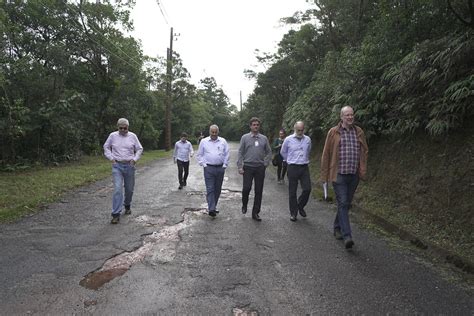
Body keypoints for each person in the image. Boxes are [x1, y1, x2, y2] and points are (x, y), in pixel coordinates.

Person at [321, 106, 368, 249]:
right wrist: (324, 176)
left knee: (345, 203)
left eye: (351, 115)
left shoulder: (359, 131)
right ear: (341, 117)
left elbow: (364, 151)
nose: (350, 117)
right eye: (347, 115)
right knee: (342, 203)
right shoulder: (333, 132)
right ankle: (347, 235)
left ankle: (336, 227)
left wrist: (362, 169)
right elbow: (326, 154)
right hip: (339, 174)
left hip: (353, 175)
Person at [103, 118, 143, 224]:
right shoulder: (112, 136)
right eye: (120, 128)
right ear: (117, 127)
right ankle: (115, 214)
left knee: (129, 189)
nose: (123, 130)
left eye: (125, 128)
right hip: (117, 166)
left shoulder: (133, 136)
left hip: (129, 165)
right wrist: (111, 158)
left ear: (128, 127)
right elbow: (106, 147)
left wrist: (135, 160)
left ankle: (127, 205)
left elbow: (139, 148)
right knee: (117, 189)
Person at [237, 117, 272, 221]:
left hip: (259, 168)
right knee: (246, 188)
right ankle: (244, 204)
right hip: (248, 167)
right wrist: (240, 166)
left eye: (257, 125)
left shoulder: (264, 138)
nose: (256, 126)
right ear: (250, 126)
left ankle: (255, 212)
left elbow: (269, 152)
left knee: (259, 190)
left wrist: (265, 163)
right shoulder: (245, 138)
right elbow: (240, 152)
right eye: (254, 125)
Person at [280, 121, 312, 222]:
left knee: (307, 189)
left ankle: (300, 205)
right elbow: (283, 152)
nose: (300, 132)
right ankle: (293, 213)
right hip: (292, 167)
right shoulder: (288, 140)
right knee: (292, 191)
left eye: (302, 130)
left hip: (304, 167)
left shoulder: (307, 139)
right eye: (298, 130)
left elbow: (309, 150)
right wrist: (289, 160)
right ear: (295, 129)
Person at [196, 125, 230, 217]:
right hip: (209, 168)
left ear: (218, 132)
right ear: (209, 132)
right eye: (212, 132)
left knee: (217, 189)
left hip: (220, 168)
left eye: (215, 132)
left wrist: (224, 165)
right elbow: (199, 155)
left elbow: (227, 153)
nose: (214, 134)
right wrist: (204, 165)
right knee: (210, 188)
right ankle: (211, 209)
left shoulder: (223, 141)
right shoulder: (204, 141)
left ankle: (213, 206)